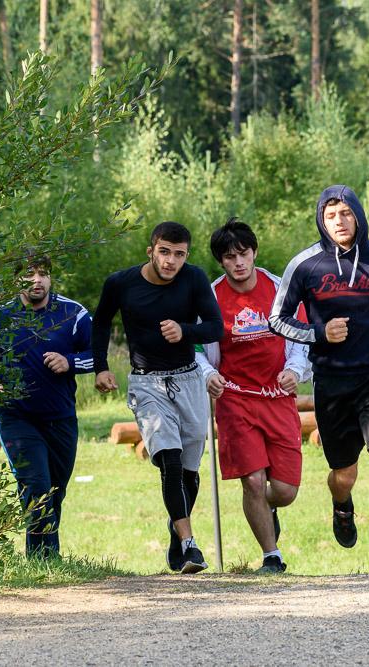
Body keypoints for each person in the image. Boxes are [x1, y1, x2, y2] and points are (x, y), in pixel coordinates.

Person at [268, 185, 369, 578]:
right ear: (322, 219)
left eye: (346, 213)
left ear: (358, 215)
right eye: (331, 214)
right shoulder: (304, 265)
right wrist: (319, 333)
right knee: (345, 474)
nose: (339, 221)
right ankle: (342, 504)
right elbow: (278, 319)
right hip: (331, 381)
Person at [91, 222, 224, 574]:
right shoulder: (120, 283)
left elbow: (215, 326)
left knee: (190, 472)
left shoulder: (194, 278)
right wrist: (101, 367)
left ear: (186, 256)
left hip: (189, 380)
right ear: (150, 250)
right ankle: (190, 544)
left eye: (179, 254)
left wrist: (185, 331)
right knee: (170, 459)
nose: (171, 261)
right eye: (164, 252)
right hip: (147, 383)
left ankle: (176, 529)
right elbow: (101, 321)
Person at [195, 218, 311, 574]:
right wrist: (208, 374)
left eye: (243, 254)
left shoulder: (280, 289)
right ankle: (271, 557)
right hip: (235, 398)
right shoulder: (210, 297)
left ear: (254, 252)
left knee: (286, 491)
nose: (238, 263)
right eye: (229, 257)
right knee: (253, 480)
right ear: (221, 261)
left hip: (278, 396)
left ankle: (269, 508)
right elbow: (196, 346)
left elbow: (302, 337)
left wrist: (294, 370)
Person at [0, 254, 93, 558]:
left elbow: (99, 354)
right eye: (29, 275)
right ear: (15, 280)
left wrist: (69, 361)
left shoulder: (73, 313)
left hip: (61, 418)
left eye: (43, 274)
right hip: (16, 417)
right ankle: (45, 560)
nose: (37, 280)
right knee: (37, 488)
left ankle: (40, 559)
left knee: (55, 491)